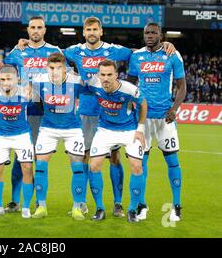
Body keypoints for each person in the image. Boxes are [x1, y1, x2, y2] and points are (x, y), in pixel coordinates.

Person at [63, 16, 176, 217]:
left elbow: (140, 54)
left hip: (112, 114)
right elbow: (53, 55)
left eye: (95, 29)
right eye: (88, 29)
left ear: (101, 31)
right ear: (83, 32)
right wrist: (26, 43)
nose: (91, 33)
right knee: (86, 158)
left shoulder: (114, 50)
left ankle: (117, 204)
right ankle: (82, 203)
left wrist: (164, 45)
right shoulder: (75, 51)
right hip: (87, 112)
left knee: (115, 158)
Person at [127, 22, 186, 222]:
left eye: (153, 32)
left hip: (164, 118)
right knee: (140, 163)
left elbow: (182, 86)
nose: (150, 35)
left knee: (172, 160)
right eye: (147, 33)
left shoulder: (172, 55)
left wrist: (174, 109)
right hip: (142, 118)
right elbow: (130, 84)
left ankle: (177, 206)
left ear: (160, 35)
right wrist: (130, 106)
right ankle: (141, 205)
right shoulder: (136, 57)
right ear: (143, 35)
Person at [4, 16, 63, 213]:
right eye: (32, 28)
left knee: (40, 158)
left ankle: (40, 200)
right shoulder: (18, 51)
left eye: (39, 27)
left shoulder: (54, 51)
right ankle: (14, 200)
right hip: (21, 111)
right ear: (28, 31)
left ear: (45, 30)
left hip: (44, 113)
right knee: (19, 158)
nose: (36, 31)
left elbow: (64, 77)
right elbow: (5, 69)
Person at [86, 59, 147, 223]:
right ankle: (100, 208)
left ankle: (132, 210)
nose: (105, 78)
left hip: (128, 130)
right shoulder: (93, 84)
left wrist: (140, 129)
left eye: (109, 75)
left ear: (117, 75)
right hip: (105, 129)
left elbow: (143, 104)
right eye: (102, 75)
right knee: (94, 165)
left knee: (136, 166)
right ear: (98, 75)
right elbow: (74, 79)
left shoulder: (129, 89)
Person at [31, 53, 86, 221]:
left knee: (77, 167)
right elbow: (36, 103)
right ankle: (41, 206)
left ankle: (77, 207)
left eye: (59, 68)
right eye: (52, 68)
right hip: (48, 128)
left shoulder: (76, 81)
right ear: (47, 67)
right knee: (40, 166)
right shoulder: (38, 81)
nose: (55, 71)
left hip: (72, 129)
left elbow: (93, 92)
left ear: (65, 69)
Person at [0, 65, 34, 218]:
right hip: (1, 137)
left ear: (17, 79)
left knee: (27, 168)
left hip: (22, 136)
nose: (5, 82)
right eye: (2, 79)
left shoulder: (26, 93)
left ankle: (26, 207)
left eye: (9, 79)